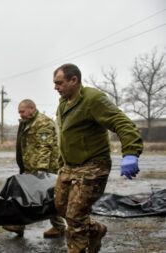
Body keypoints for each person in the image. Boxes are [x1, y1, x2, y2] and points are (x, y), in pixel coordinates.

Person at [53, 63, 143, 253]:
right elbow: (67, 137)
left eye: (59, 83)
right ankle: (95, 231)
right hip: (69, 167)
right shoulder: (63, 103)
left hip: (93, 166)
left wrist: (131, 152)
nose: (56, 87)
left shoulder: (93, 99)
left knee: (75, 216)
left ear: (74, 80)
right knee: (61, 208)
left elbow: (122, 122)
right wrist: (61, 163)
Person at [3, 99, 66, 238]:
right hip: (31, 167)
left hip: (44, 169)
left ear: (32, 108)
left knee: (47, 198)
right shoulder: (28, 123)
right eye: (19, 112)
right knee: (32, 196)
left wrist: (41, 171)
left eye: (22, 111)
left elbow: (44, 147)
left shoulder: (43, 123)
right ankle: (21, 225)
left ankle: (65, 226)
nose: (20, 114)